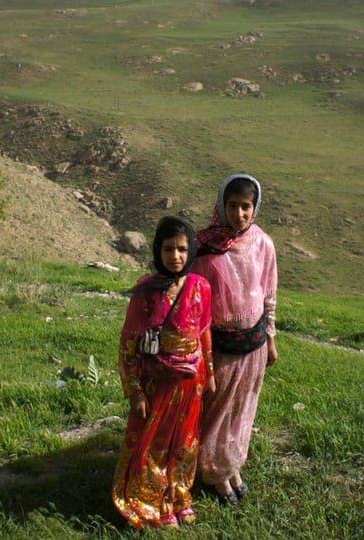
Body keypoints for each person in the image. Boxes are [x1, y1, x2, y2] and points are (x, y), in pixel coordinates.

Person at [112, 216, 216, 529]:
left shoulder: (201, 287)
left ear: (191, 251)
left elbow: (204, 331)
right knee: (152, 444)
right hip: (156, 381)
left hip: (191, 382)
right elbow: (128, 341)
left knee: (184, 444)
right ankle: (151, 499)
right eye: (169, 249)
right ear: (159, 250)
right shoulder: (146, 290)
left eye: (182, 249)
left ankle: (180, 495)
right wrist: (135, 390)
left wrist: (209, 372)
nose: (176, 256)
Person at [193, 173, 278, 505]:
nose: (239, 214)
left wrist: (270, 337)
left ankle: (231, 466)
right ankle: (215, 474)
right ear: (221, 206)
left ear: (254, 208)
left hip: (254, 343)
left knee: (243, 409)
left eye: (246, 207)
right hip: (219, 345)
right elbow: (194, 305)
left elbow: (269, 293)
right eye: (232, 206)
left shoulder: (263, 244)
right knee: (216, 411)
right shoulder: (204, 250)